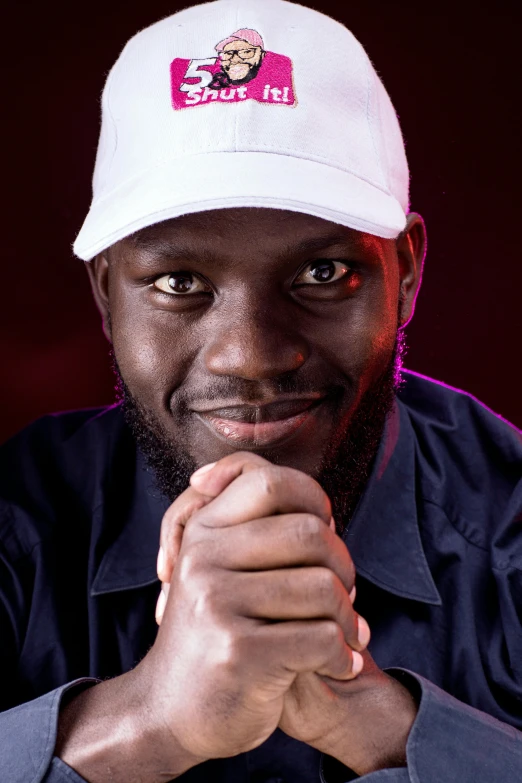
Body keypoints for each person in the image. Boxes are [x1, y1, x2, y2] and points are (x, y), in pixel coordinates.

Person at [1, 0, 521, 781]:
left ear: (406, 274)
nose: (249, 356)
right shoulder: (16, 529)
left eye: (323, 273)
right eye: (180, 281)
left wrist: (381, 722)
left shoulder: (510, 531)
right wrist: (145, 720)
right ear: (108, 293)